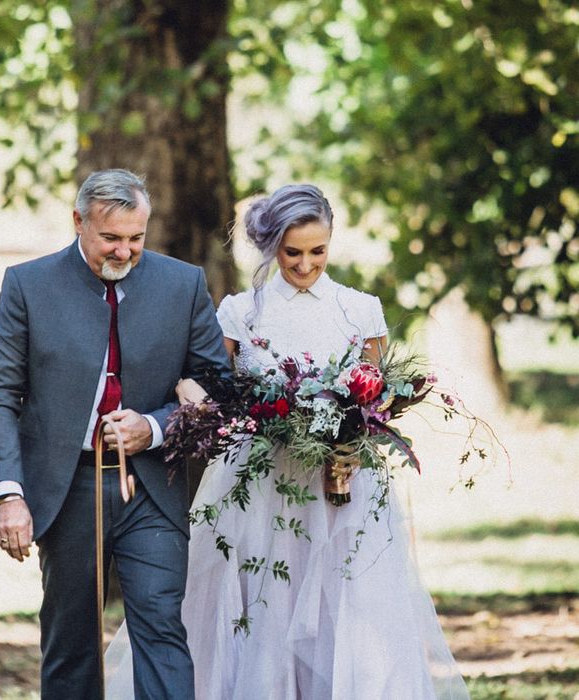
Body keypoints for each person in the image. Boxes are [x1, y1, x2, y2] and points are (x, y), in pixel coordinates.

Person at [175, 184, 470, 698]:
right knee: (263, 603)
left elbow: (373, 401)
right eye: (293, 253)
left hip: (343, 488)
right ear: (271, 247)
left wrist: (355, 442)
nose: (306, 264)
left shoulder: (360, 309)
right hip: (260, 486)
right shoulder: (242, 313)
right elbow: (215, 389)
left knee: (349, 607)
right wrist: (197, 398)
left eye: (318, 251)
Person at [0, 168, 231, 700]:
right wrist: (9, 493)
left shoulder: (183, 284)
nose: (124, 252)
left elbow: (217, 386)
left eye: (136, 239)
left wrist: (157, 427)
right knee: (71, 643)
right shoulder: (27, 285)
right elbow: (0, 394)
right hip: (67, 486)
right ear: (78, 222)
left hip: (155, 492)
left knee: (162, 630)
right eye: (110, 239)